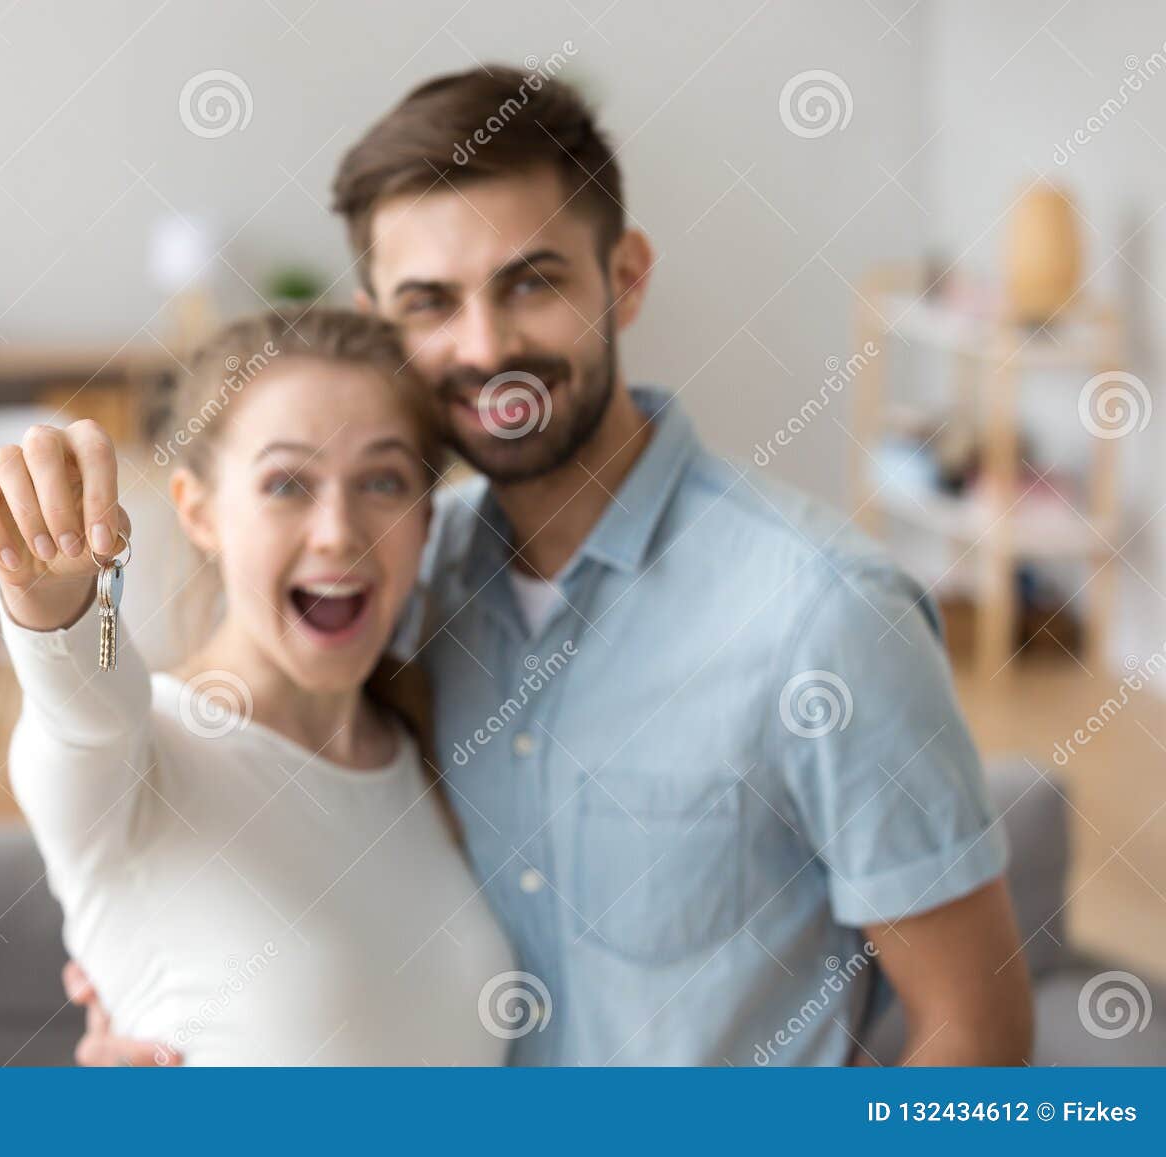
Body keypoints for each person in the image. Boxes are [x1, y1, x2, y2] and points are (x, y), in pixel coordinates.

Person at [67, 66, 1034, 1066]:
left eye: (531, 282)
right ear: (380, 326)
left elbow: (976, 1029)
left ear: (624, 276)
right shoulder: (405, 584)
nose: (486, 347)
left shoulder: (821, 618)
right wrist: (147, 1009)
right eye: (430, 303)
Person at [0, 309, 516, 1065]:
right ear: (199, 511)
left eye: (383, 481)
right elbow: (81, 707)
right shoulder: (134, 755)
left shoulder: (431, 747)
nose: (337, 531)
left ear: (425, 516)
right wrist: (55, 585)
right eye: (288, 483)